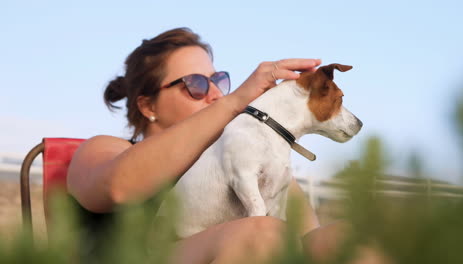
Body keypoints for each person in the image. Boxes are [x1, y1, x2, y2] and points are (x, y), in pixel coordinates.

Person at [67, 27, 327, 263]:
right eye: (197, 84)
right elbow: (117, 187)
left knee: (342, 236)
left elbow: (309, 240)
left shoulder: (241, 156)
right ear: (148, 106)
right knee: (261, 233)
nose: (215, 94)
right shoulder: (106, 149)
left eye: (218, 81)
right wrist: (234, 102)